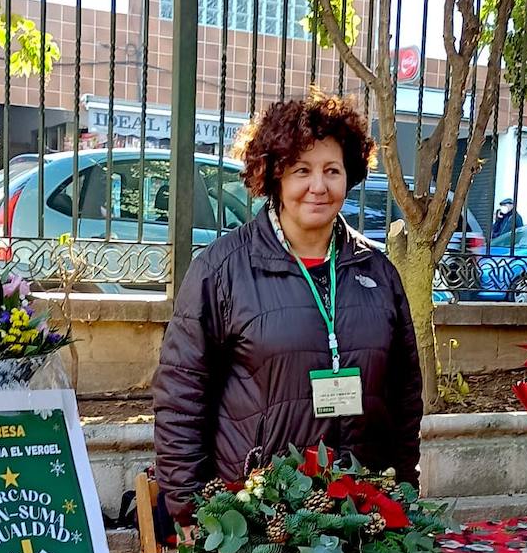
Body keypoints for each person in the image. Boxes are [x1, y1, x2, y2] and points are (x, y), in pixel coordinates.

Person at [152, 93, 423, 526]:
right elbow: (182, 395)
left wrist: (402, 494)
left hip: (358, 516)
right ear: (274, 175)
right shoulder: (222, 269)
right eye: (302, 170)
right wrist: (192, 509)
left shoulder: (377, 272)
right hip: (257, 520)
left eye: (332, 170)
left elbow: (404, 397)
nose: (319, 186)